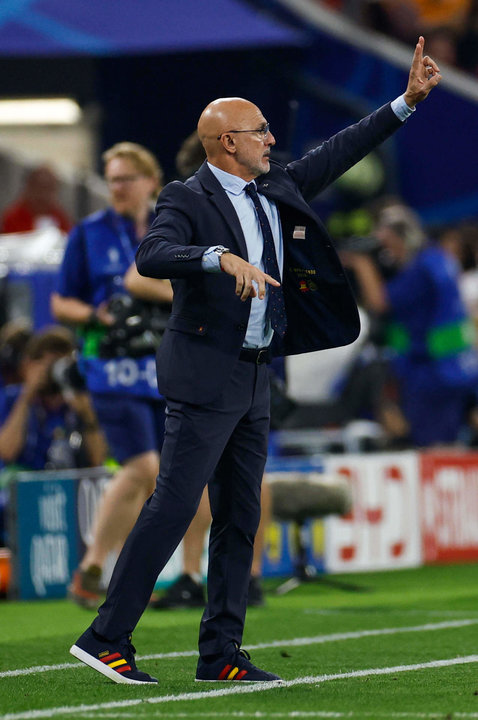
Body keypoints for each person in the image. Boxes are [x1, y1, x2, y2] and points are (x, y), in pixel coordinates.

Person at [70, 37, 441, 685]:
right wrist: (217, 258)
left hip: (255, 372)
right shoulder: (186, 199)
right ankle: (106, 636)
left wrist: (405, 104)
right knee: (175, 504)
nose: (271, 139)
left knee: (241, 516)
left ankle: (220, 654)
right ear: (224, 143)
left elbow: (342, 149)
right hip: (205, 370)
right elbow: (152, 256)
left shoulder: (277, 185)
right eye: (259, 130)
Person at [51, 142, 173, 608]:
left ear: (149, 181)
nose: (118, 188)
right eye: (112, 179)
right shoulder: (90, 232)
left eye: (126, 178)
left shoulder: (170, 225)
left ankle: (124, 571)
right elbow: (61, 302)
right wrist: (97, 316)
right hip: (110, 367)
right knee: (143, 467)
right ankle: (93, 565)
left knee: (164, 479)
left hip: (162, 368)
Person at [343, 203, 478, 446]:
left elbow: (379, 302)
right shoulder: (439, 258)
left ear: (400, 238)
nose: (385, 251)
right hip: (461, 365)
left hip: (432, 373)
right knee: (457, 443)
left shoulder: (420, 271)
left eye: (386, 243)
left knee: (434, 448)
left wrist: (362, 263)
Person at [0, 325, 106, 471]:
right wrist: (26, 395)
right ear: (32, 364)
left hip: (71, 487)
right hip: (27, 489)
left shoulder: (77, 402)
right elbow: (6, 452)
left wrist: (88, 415)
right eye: (51, 365)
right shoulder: (13, 397)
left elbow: (98, 460)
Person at [0, 165, 72, 234]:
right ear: (29, 187)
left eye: (48, 189)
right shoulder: (13, 218)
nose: (43, 195)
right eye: (40, 188)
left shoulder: (60, 219)